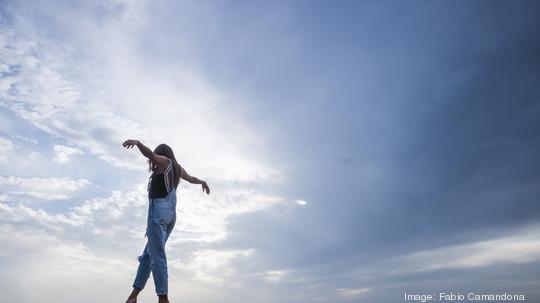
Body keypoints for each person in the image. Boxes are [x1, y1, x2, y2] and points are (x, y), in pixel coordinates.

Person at [122, 139, 210, 303]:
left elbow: (150, 154)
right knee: (148, 256)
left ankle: (163, 298)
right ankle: (133, 297)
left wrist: (138, 143)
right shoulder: (177, 169)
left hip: (158, 213)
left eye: (156, 158)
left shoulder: (165, 162)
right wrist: (202, 182)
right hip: (170, 216)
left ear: (162, 155)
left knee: (157, 256)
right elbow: (191, 178)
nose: (153, 163)